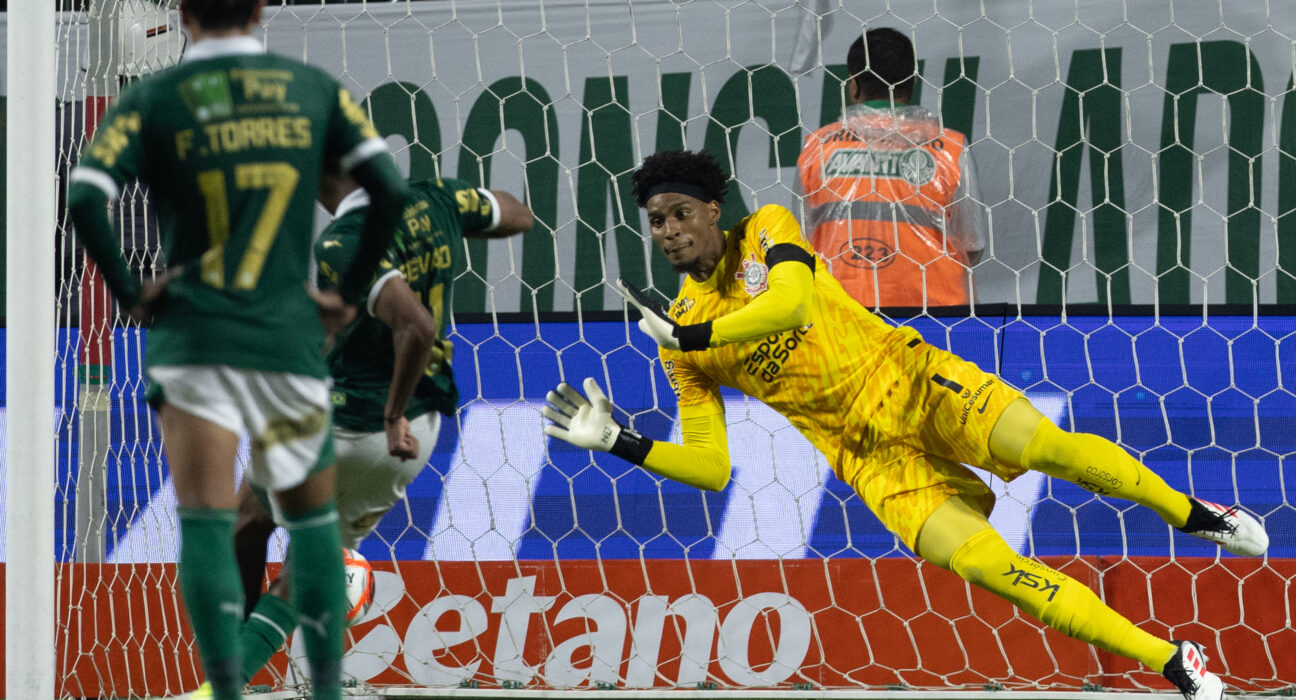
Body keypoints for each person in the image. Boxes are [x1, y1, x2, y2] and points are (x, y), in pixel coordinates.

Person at [542, 149, 1267, 700]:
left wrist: (692, 340)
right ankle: (1174, 661)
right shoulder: (682, 333)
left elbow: (793, 303)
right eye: (657, 222)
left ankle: (1195, 513)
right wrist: (619, 442)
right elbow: (712, 467)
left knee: (1045, 447)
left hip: (915, 381)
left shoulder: (764, 234)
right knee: (990, 568)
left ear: (713, 209)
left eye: (680, 214)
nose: (669, 233)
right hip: (868, 458)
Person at [65, 0, 410, 698]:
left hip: (194, 338)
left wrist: (133, 292)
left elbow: (85, 194)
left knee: (204, 517)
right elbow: (390, 187)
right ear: (258, 10)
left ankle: (225, 690)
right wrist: (345, 295)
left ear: (183, 14)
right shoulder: (309, 87)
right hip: (285, 338)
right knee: (312, 520)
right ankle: (326, 690)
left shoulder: (155, 96)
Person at [184, 169, 533, 698]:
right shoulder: (433, 197)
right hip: (420, 433)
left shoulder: (343, 241)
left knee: (246, 523)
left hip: (352, 425)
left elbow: (416, 326)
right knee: (283, 544)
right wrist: (447, 226)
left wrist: (391, 412)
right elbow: (518, 213)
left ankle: (229, 678)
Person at [798, 27, 985, 309]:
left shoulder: (817, 148)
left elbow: (800, 243)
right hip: (934, 320)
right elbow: (972, 244)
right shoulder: (950, 148)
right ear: (912, 81)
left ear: (854, 85)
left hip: (843, 320)